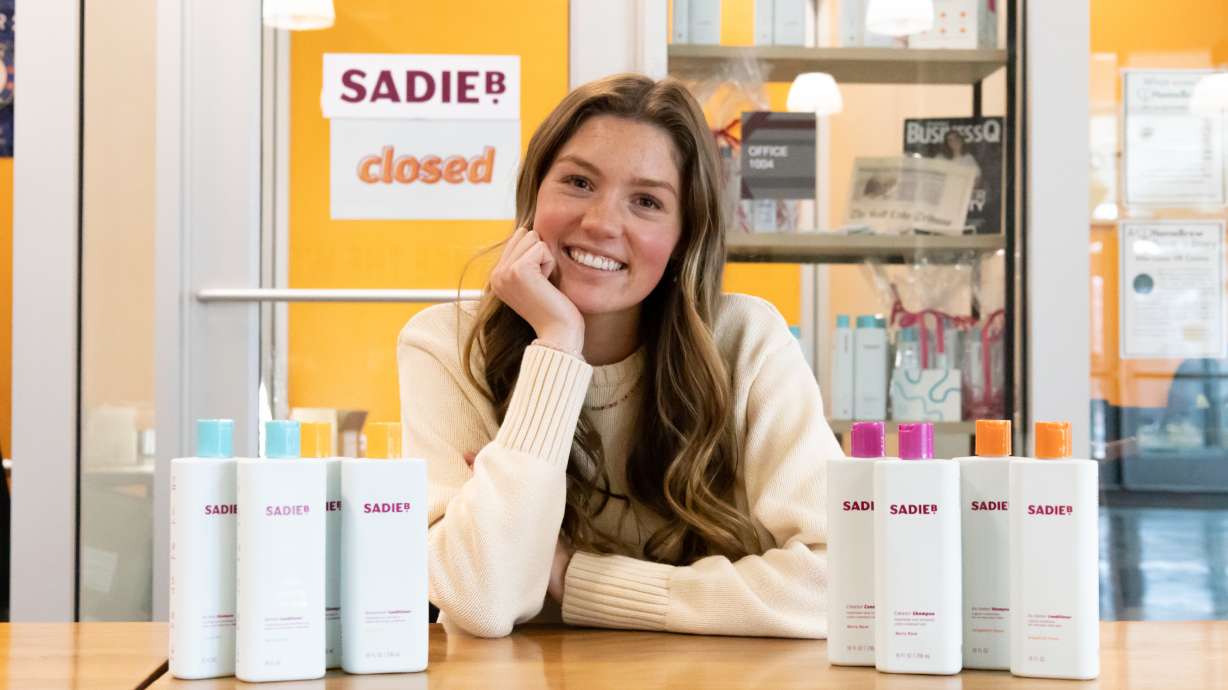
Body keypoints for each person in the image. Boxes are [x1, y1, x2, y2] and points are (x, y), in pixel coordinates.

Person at [397, 74, 842, 639]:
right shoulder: (443, 346)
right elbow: (483, 599)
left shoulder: (745, 338)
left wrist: (578, 580)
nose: (603, 223)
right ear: (534, 195)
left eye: (647, 201)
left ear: (685, 235)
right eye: (579, 182)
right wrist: (557, 343)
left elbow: (842, 584)